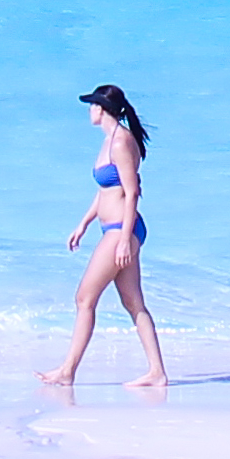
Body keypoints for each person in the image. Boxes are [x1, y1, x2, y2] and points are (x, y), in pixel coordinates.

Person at [42, 82, 169, 391]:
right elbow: (105, 192)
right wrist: (83, 224)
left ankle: (68, 370)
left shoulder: (121, 143)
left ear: (101, 108)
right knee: (132, 301)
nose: (89, 110)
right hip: (112, 228)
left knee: (84, 298)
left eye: (91, 105)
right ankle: (157, 372)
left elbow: (132, 191)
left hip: (120, 230)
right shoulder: (108, 141)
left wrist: (125, 239)